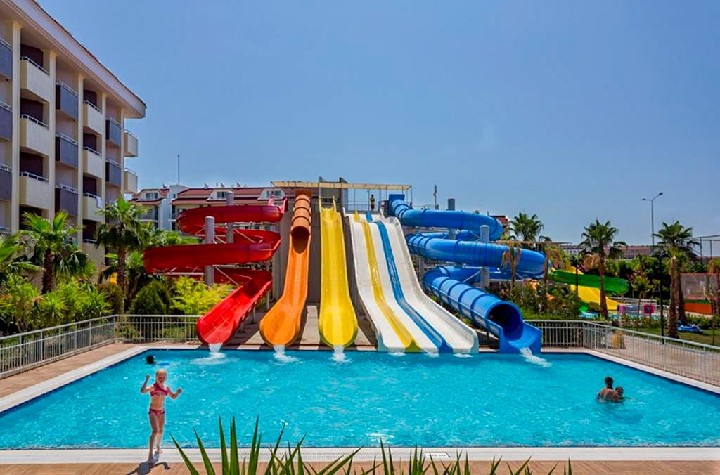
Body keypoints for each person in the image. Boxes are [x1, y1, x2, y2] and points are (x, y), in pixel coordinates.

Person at [141, 369, 182, 461]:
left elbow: (173, 397)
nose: (162, 379)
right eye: (160, 377)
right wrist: (146, 380)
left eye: (163, 377)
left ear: (166, 378)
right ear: (156, 377)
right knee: (155, 431)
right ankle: (150, 453)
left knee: (160, 431)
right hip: (153, 411)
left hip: (161, 411)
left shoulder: (166, 388)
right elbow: (143, 391)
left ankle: (158, 446)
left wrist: (177, 393)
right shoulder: (153, 387)